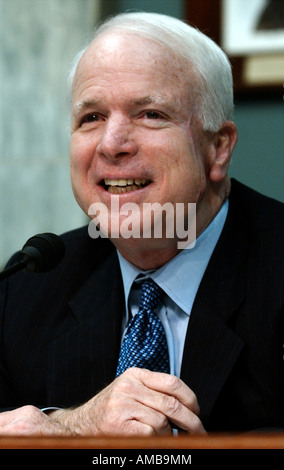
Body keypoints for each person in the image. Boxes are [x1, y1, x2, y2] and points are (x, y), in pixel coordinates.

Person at [0, 12, 283, 436]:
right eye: (91, 117)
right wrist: (71, 426)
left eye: (149, 114)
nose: (112, 144)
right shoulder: (28, 287)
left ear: (218, 148)